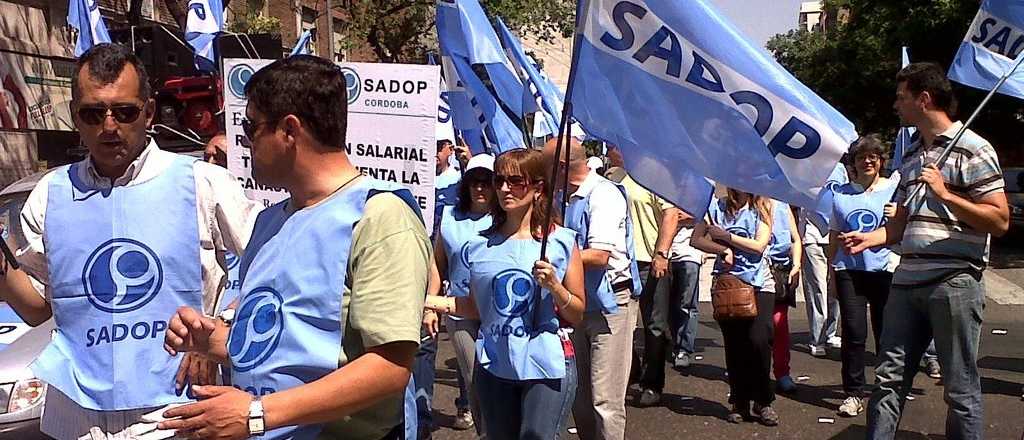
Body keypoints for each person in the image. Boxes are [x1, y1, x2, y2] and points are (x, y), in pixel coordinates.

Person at [159, 55, 431, 439]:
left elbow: (389, 367)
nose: (244, 140)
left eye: (250, 127)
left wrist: (256, 414)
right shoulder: (269, 223)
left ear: (289, 130)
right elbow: (276, 347)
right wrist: (210, 340)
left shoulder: (379, 216)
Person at [0, 43, 257, 439]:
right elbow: (38, 308)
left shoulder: (203, 182)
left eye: (124, 112)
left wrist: (220, 329)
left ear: (149, 112)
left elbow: (272, 268)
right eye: (92, 113)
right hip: (77, 418)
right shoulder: (49, 193)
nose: (108, 126)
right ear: (74, 117)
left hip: (176, 414)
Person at [842, 62, 1009, 440]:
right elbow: (901, 223)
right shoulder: (913, 151)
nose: (895, 105)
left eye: (901, 97)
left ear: (924, 99)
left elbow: (999, 221)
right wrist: (872, 238)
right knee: (888, 379)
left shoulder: (973, 147)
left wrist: (946, 194)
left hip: (953, 280)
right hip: (906, 279)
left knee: (959, 388)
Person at [423, 148, 586, 440]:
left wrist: (555, 288)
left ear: (537, 188)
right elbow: (474, 308)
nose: (504, 188)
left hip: (545, 364)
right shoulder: (478, 245)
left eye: (515, 181)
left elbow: (577, 312)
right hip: (494, 363)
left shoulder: (560, 241)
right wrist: (424, 301)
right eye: (499, 180)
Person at [544, 138, 641, 440]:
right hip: (577, 304)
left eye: (544, 165)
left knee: (605, 400)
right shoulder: (563, 197)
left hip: (610, 304)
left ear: (560, 167)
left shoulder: (604, 195)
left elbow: (599, 255)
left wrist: (547, 256)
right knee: (580, 395)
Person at [691, 188, 779, 426]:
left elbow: (759, 245)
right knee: (735, 345)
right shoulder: (715, 207)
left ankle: (763, 400)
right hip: (728, 285)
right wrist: (722, 249)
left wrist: (727, 237)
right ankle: (739, 401)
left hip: (760, 283)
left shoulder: (763, 206)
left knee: (760, 340)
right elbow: (696, 239)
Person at [423, 153, 497, 435]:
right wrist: (431, 307)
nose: (480, 188)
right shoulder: (452, 218)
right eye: (474, 181)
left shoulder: (506, 216)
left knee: (500, 381)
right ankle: (486, 431)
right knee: (475, 379)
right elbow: (437, 264)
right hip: (459, 310)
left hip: (497, 312)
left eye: (487, 182)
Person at [826, 135, 900, 418]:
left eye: (872, 157)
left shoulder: (893, 190)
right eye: (860, 157)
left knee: (886, 334)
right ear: (853, 163)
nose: (867, 161)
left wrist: (899, 213)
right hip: (849, 272)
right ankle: (853, 393)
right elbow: (834, 235)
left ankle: (886, 389)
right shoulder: (841, 194)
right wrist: (832, 270)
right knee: (854, 334)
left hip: (884, 270)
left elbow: (906, 223)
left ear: (881, 161)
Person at [616, 170, 681, 407]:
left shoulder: (656, 176)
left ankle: (652, 384)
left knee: (655, 325)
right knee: (620, 323)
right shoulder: (613, 178)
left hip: (649, 261)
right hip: (621, 261)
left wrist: (661, 253)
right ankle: (631, 372)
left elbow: (671, 214)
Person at [799, 164, 848, 357]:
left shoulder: (840, 168)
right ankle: (817, 337)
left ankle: (830, 332)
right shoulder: (804, 165)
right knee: (817, 288)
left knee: (835, 286)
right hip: (812, 235)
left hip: (835, 234)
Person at [767, 199, 802, 394]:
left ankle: (782, 372)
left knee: (779, 324)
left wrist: (796, 266)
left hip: (780, 271)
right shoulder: (747, 202)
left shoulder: (781, 204)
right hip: (754, 270)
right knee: (756, 328)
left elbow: (795, 239)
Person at [667, 210, 703, 370]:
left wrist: (683, 218)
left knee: (687, 304)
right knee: (664, 305)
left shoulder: (699, 186)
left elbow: (706, 216)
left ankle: (684, 349)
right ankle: (670, 343)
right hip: (664, 252)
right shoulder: (663, 187)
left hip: (689, 254)